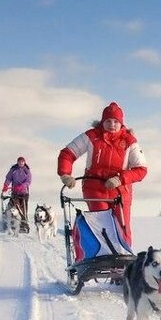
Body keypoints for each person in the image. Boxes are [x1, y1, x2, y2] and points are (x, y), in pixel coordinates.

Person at [57, 102, 148, 247]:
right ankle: (100, 259)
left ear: (121, 123)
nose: (112, 124)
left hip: (120, 191)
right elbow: (67, 154)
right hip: (95, 189)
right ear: (102, 122)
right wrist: (65, 174)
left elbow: (141, 170)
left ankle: (124, 261)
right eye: (108, 121)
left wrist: (120, 179)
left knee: (122, 229)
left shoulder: (129, 141)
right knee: (101, 226)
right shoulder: (92, 136)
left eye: (116, 122)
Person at [2, 155, 32, 232]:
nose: (21, 163)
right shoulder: (13, 169)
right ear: (17, 162)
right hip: (15, 192)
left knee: (24, 208)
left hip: (24, 192)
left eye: (22, 162)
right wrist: (6, 185)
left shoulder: (27, 170)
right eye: (19, 162)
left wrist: (22, 186)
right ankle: (12, 220)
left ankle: (24, 222)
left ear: (24, 162)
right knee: (15, 206)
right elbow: (8, 178)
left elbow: (28, 181)